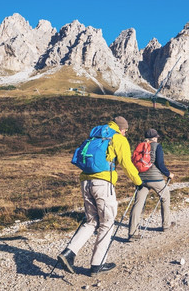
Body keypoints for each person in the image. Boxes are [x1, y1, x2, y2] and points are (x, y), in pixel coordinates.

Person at [57, 116, 143, 277]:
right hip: (103, 184)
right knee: (107, 222)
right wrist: (138, 181)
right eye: (125, 130)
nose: (125, 133)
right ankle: (97, 264)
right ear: (122, 128)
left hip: (86, 182)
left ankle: (69, 253)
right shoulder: (118, 139)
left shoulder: (96, 135)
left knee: (91, 221)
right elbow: (126, 163)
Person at [128, 128, 175, 240]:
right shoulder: (157, 146)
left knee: (138, 203)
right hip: (155, 178)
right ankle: (166, 225)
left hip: (141, 179)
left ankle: (132, 233)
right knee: (165, 196)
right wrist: (168, 174)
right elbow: (159, 163)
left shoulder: (141, 146)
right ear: (154, 138)